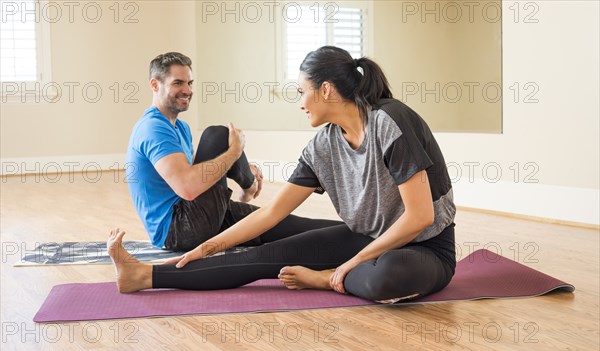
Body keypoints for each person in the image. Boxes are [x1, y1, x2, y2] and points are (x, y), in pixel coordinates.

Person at [110, 46, 456, 303]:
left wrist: (348, 265)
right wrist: (207, 247)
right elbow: (274, 213)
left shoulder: (389, 120)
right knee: (262, 256)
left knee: (389, 277)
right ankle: (143, 275)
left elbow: (420, 216)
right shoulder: (323, 146)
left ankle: (325, 279)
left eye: (301, 92)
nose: (300, 103)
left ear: (326, 90)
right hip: (370, 238)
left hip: (425, 249)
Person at [126, 52, 338, 252]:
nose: (188, 90)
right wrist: (235, 152)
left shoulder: (180, 128)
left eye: (190, 83)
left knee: (286, 225)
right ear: (155, 84)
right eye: (178, 83)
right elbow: (188, 188)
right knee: (217, 135)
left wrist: (236, 163)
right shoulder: (153, 127)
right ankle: (250, 186)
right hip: (178, 229)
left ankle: (358, 237)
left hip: (199, 216)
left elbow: (200, 175)